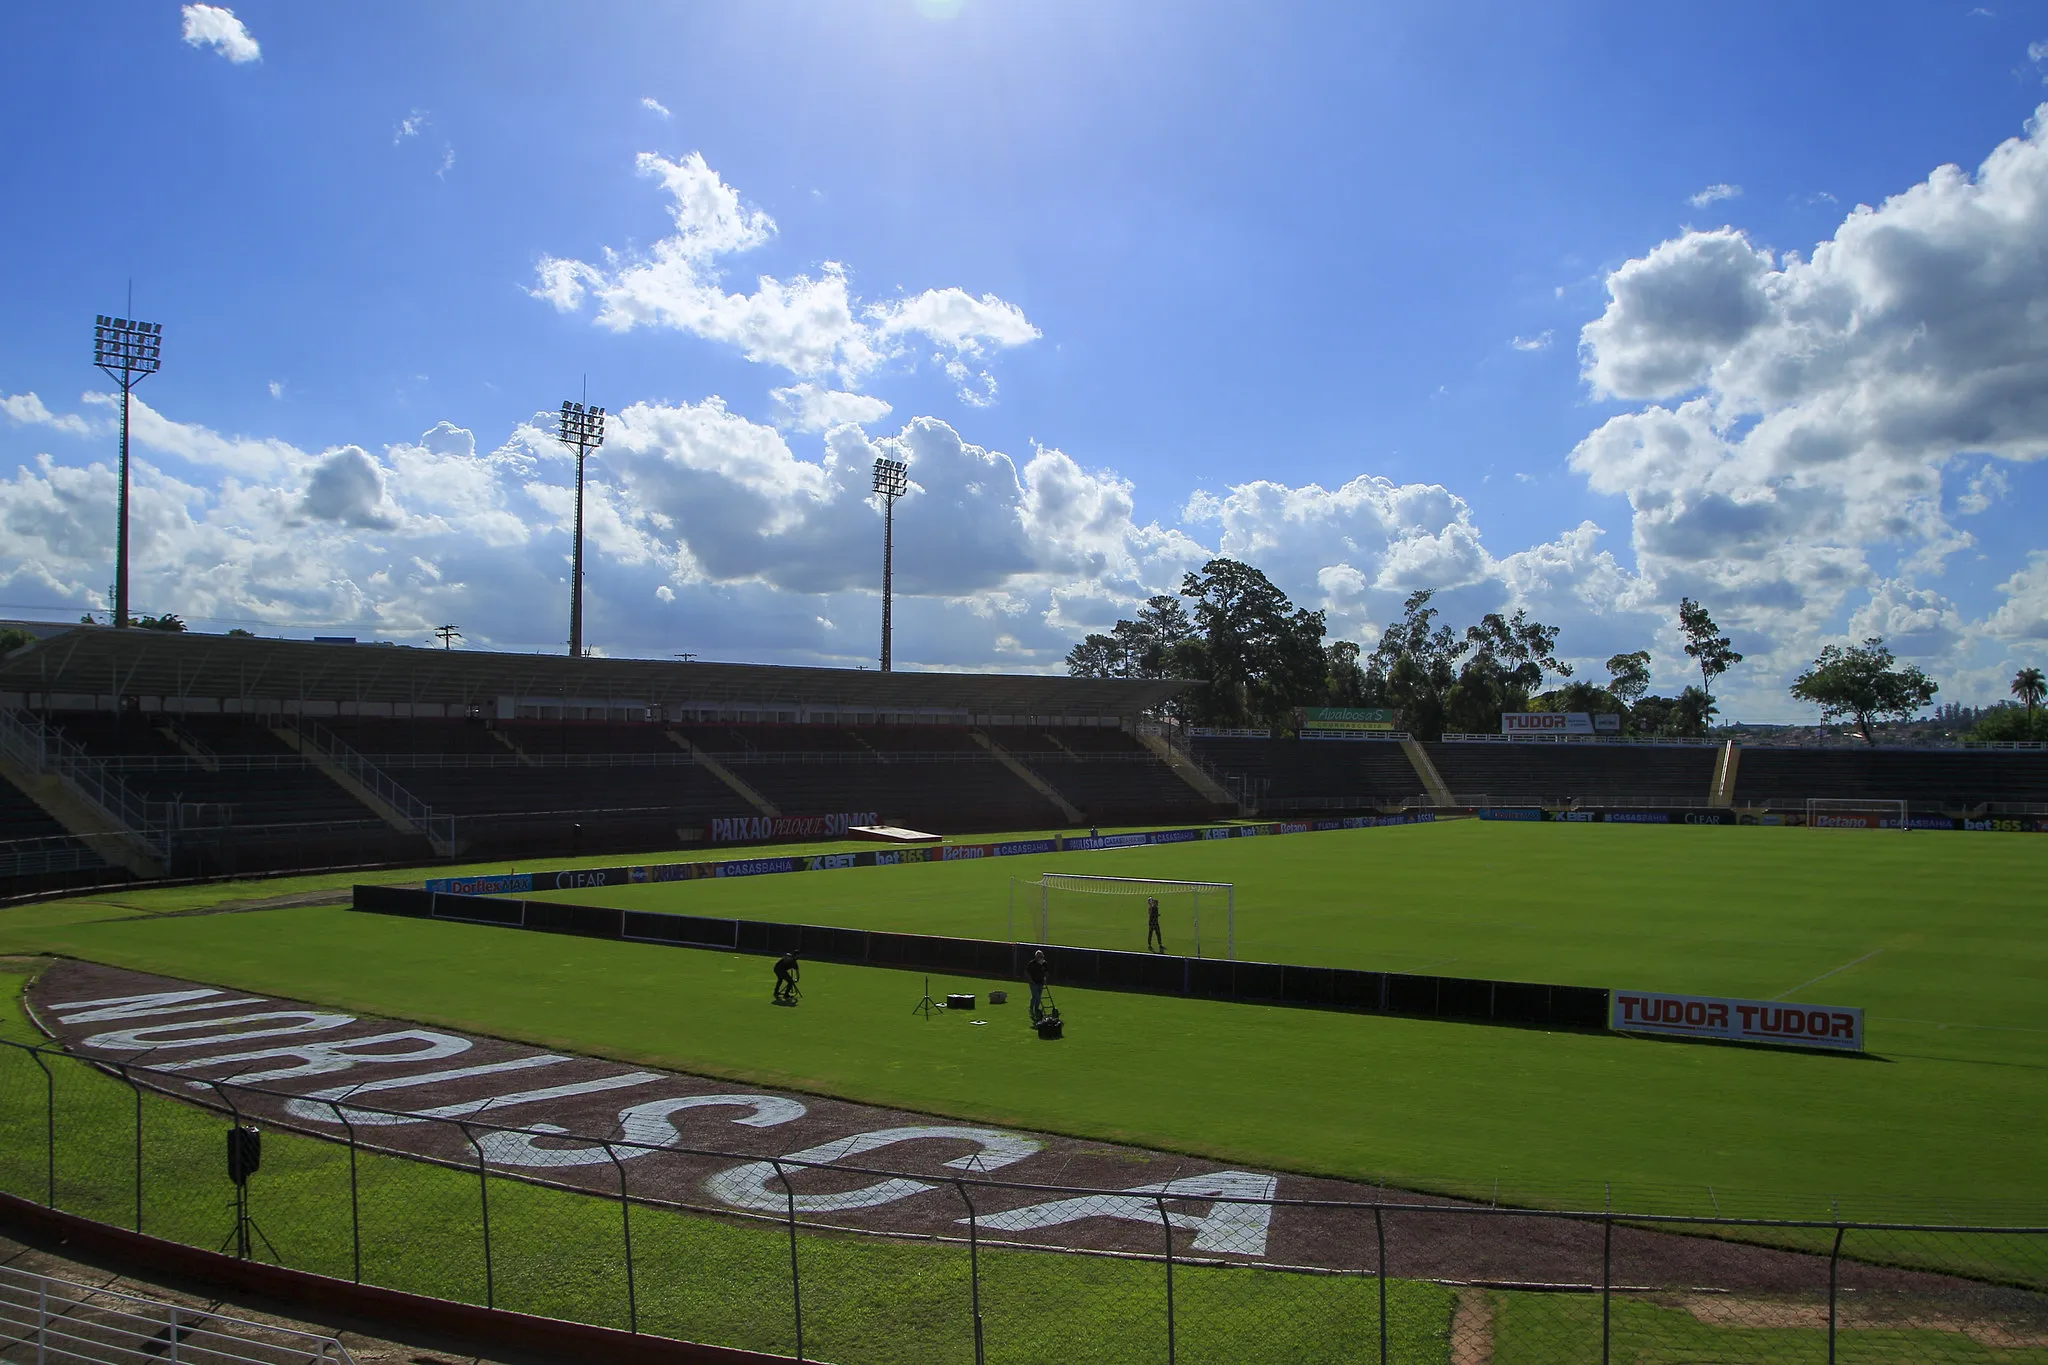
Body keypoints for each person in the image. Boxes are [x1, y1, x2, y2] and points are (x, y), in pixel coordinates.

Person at [1026, 949, 1048, 1022]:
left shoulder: (1044, 963)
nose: (1041, 958)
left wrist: (1045, 978)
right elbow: (1027, 972)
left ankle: (1035, 1009)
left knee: (1037, 997)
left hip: (1040, 982)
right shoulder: (1032, 963)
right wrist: (1030, 981)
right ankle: (1033, 1009)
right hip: (1033, 983)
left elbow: (1046, 972)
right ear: (1036, 957)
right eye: (1039, 957)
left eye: (1041, 956)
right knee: (1036, 996)